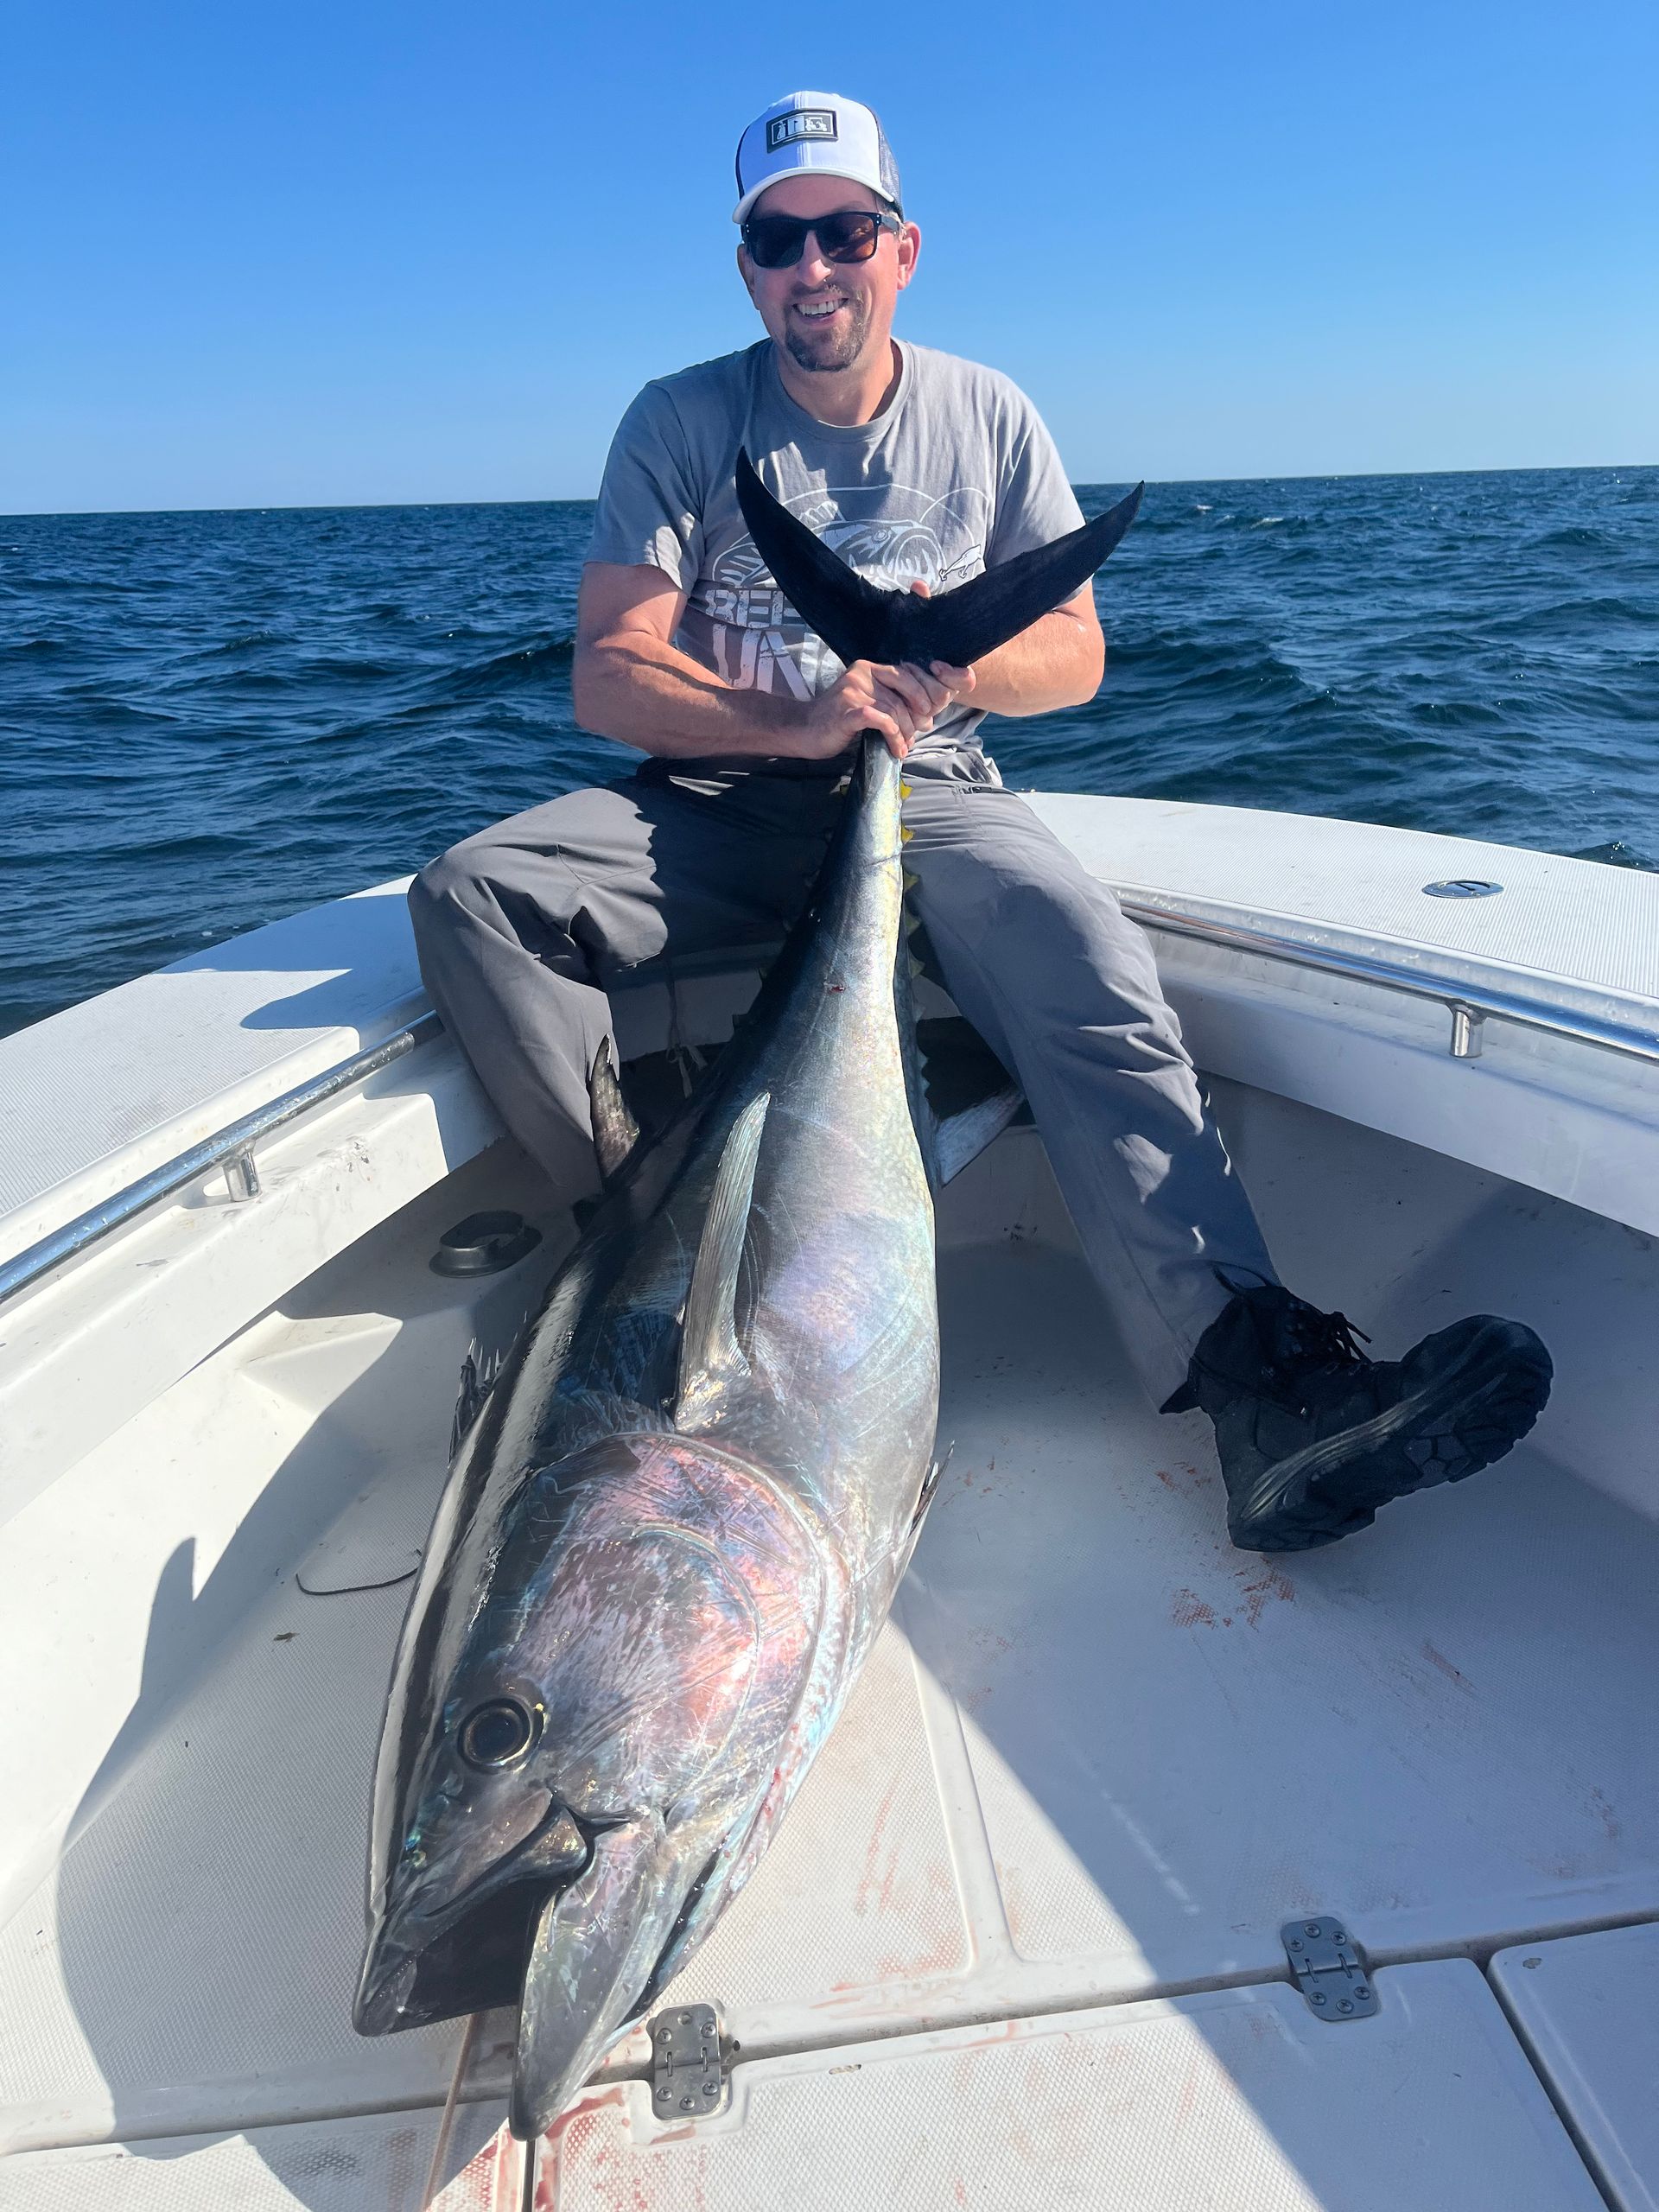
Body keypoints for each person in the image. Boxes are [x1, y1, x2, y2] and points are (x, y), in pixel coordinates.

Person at [410, 89, 1552, 1553]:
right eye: (777, 240)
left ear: (903, 246)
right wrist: (800, 717)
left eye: (844, 234)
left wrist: (940, 671)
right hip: (718, 799)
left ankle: (1260, 1393)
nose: (811, 269)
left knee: (1086, 954)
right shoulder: (680, 419)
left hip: (930, 795)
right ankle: (648, 1258)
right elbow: (608, 669)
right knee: (471, 899)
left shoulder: (989, 413)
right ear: (744, 262)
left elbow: (1074, 653)